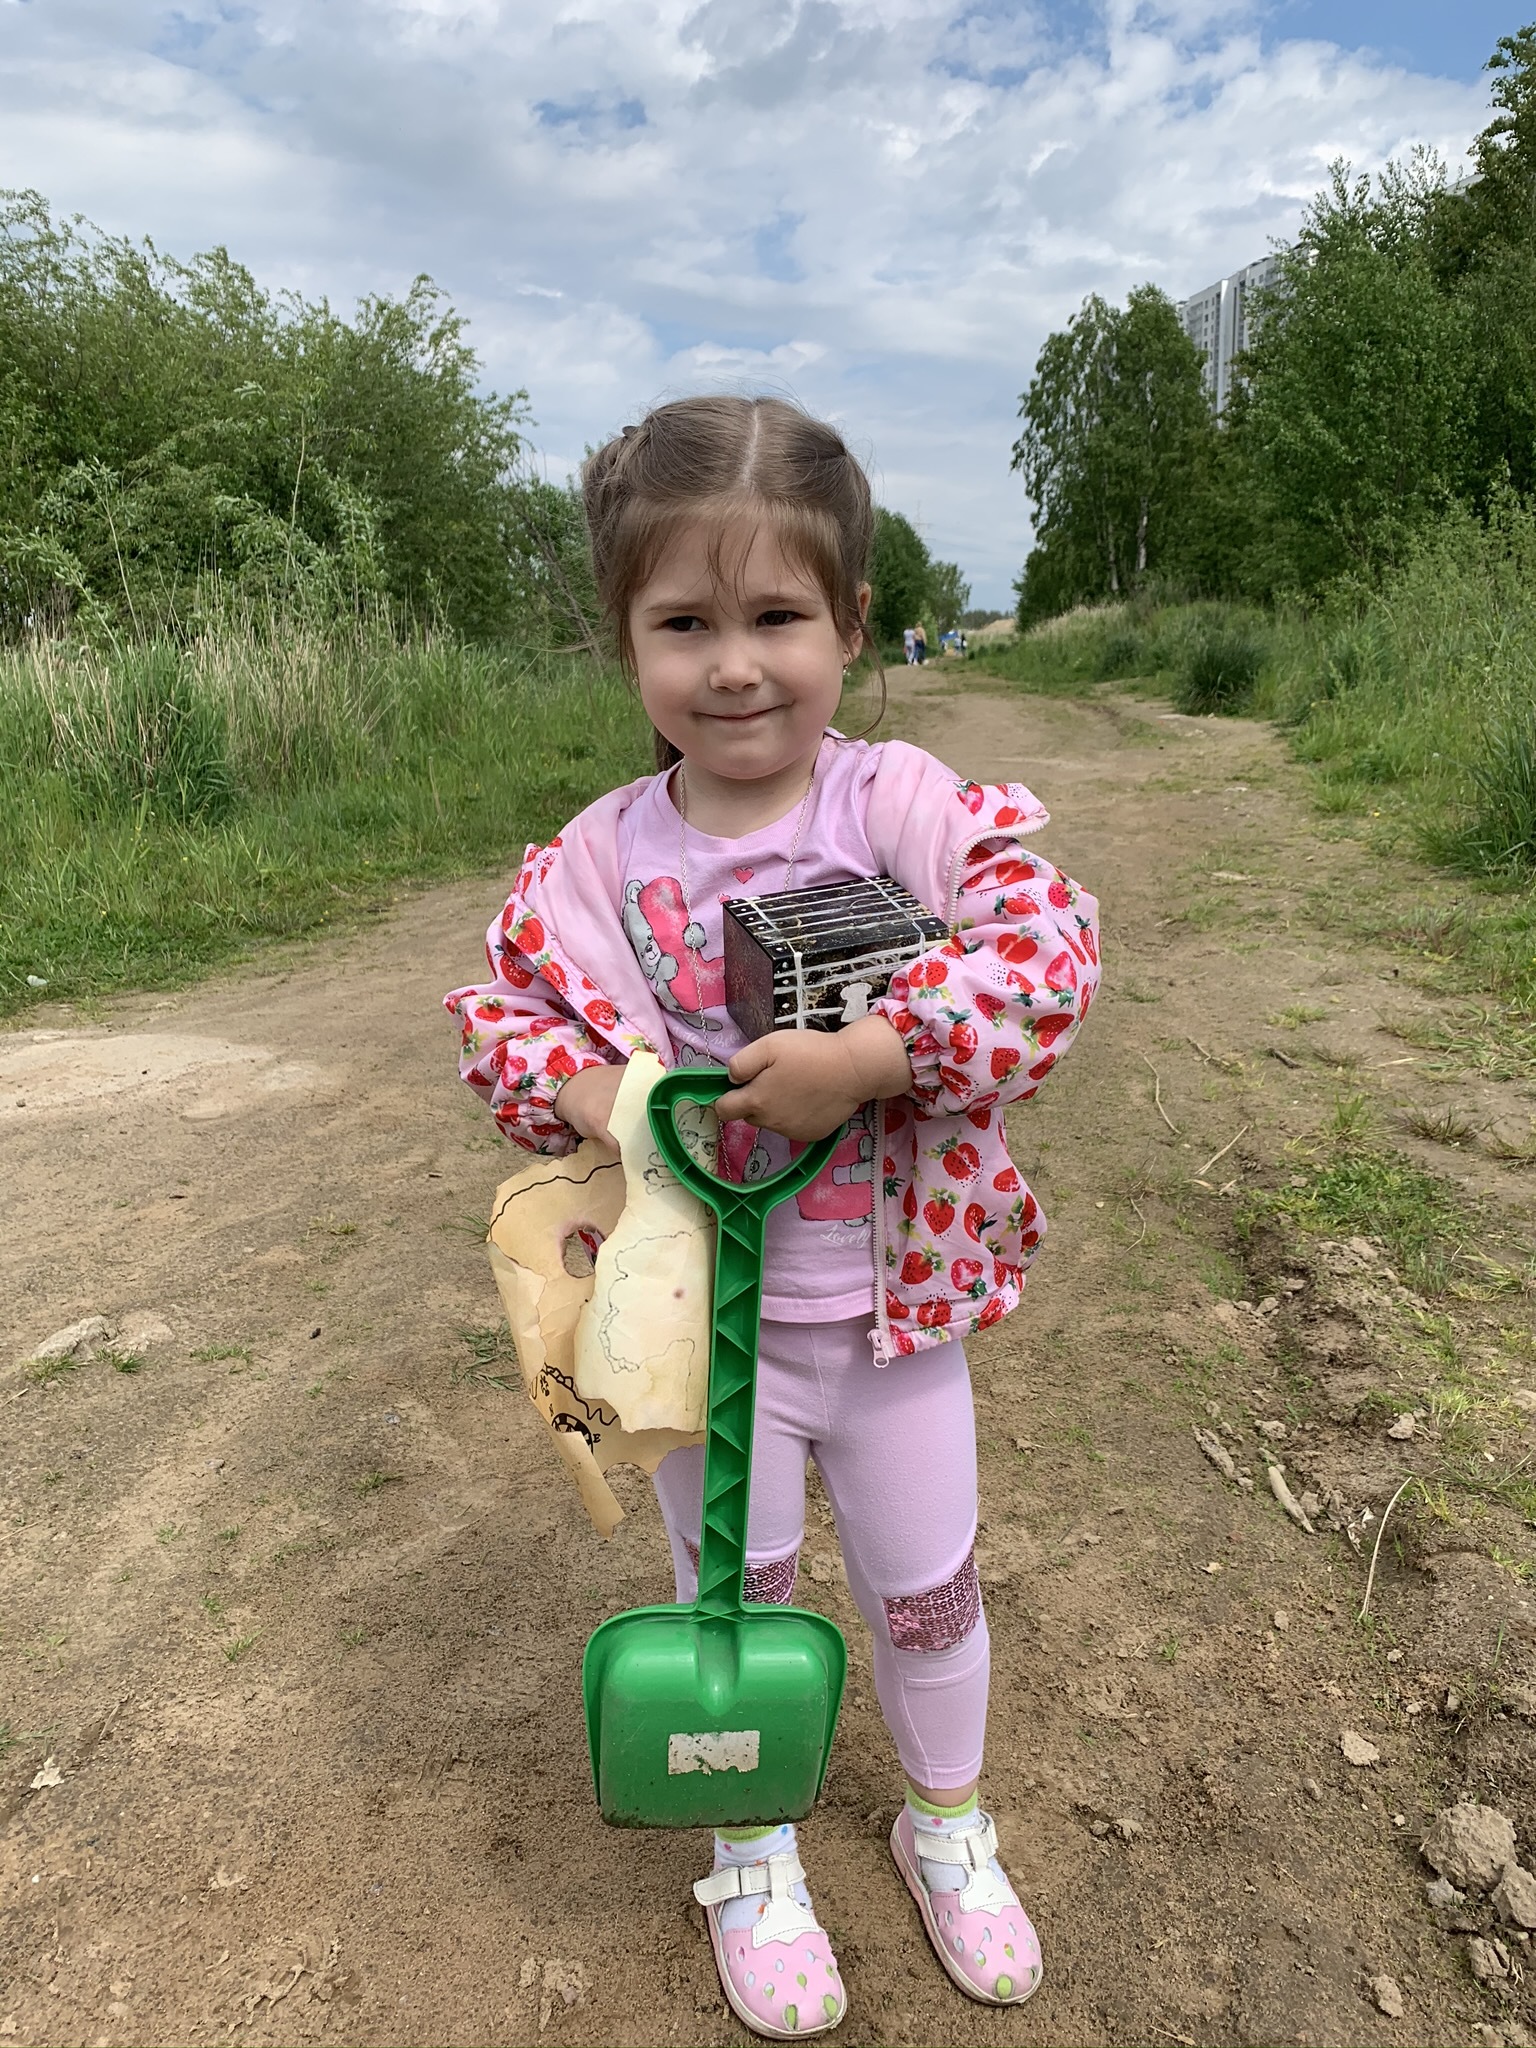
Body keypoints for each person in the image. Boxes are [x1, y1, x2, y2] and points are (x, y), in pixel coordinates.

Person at [445, 395, 1099, 2040]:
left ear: (851, 623)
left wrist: (877, 1056)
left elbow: (1050, 961)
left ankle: (944, 1819)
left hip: (892, 1327)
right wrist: (609, 1097)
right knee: (732, 1606)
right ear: (627, 643)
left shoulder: (905, 810)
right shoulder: (598, 861)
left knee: (927, 1589)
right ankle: (752, 1850)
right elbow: (501, 1020)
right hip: (693, 1339)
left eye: (776, 618)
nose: (734, 666)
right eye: (685, 624)